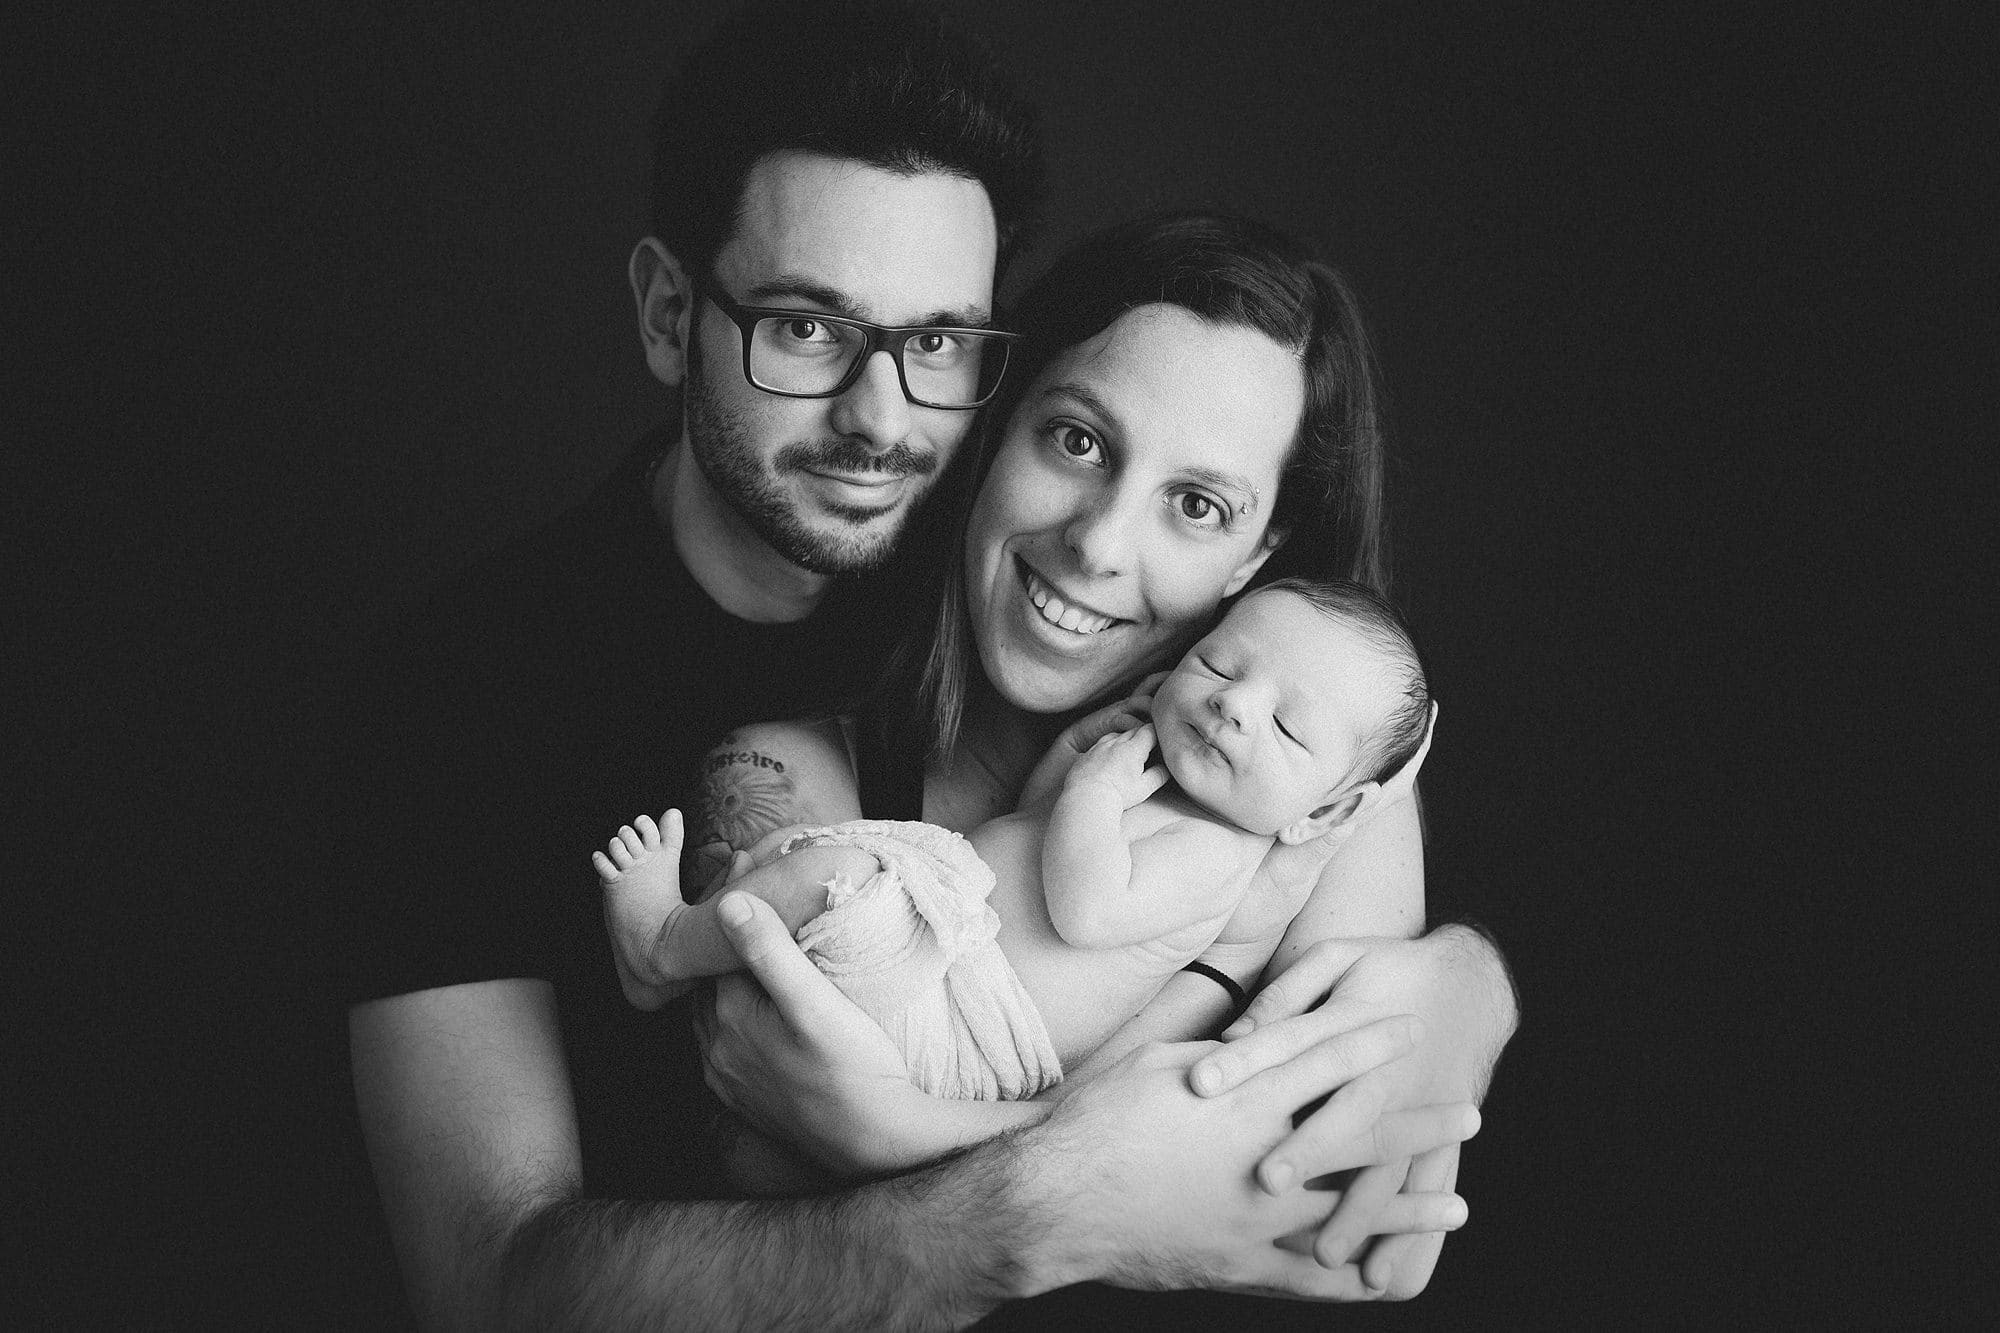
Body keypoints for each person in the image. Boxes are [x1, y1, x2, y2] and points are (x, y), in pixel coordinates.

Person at [336, 3, 1514, 1327]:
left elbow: (1374, 1217)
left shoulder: (1152, 647)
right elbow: (492, 1286)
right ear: (671, 314)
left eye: (938, 343)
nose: (882, 419)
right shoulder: (463, 692)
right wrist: (1047, 1201)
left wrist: (1466, 983)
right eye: (803, 327)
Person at [597, 578, 1433, 1110]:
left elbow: (1084, 905)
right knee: (826, 869)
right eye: (1217, 664)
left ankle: (665, 945)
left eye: (1286, 726)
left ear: (1322, 815)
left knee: (839, 876)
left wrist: (1096, 793)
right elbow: (1024, 839)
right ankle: (735, 904)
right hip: (945, 941)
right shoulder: (1156, 778)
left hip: (967, 1016)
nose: (1235, 704)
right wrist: (1071, 766)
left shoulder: (1218, 852)